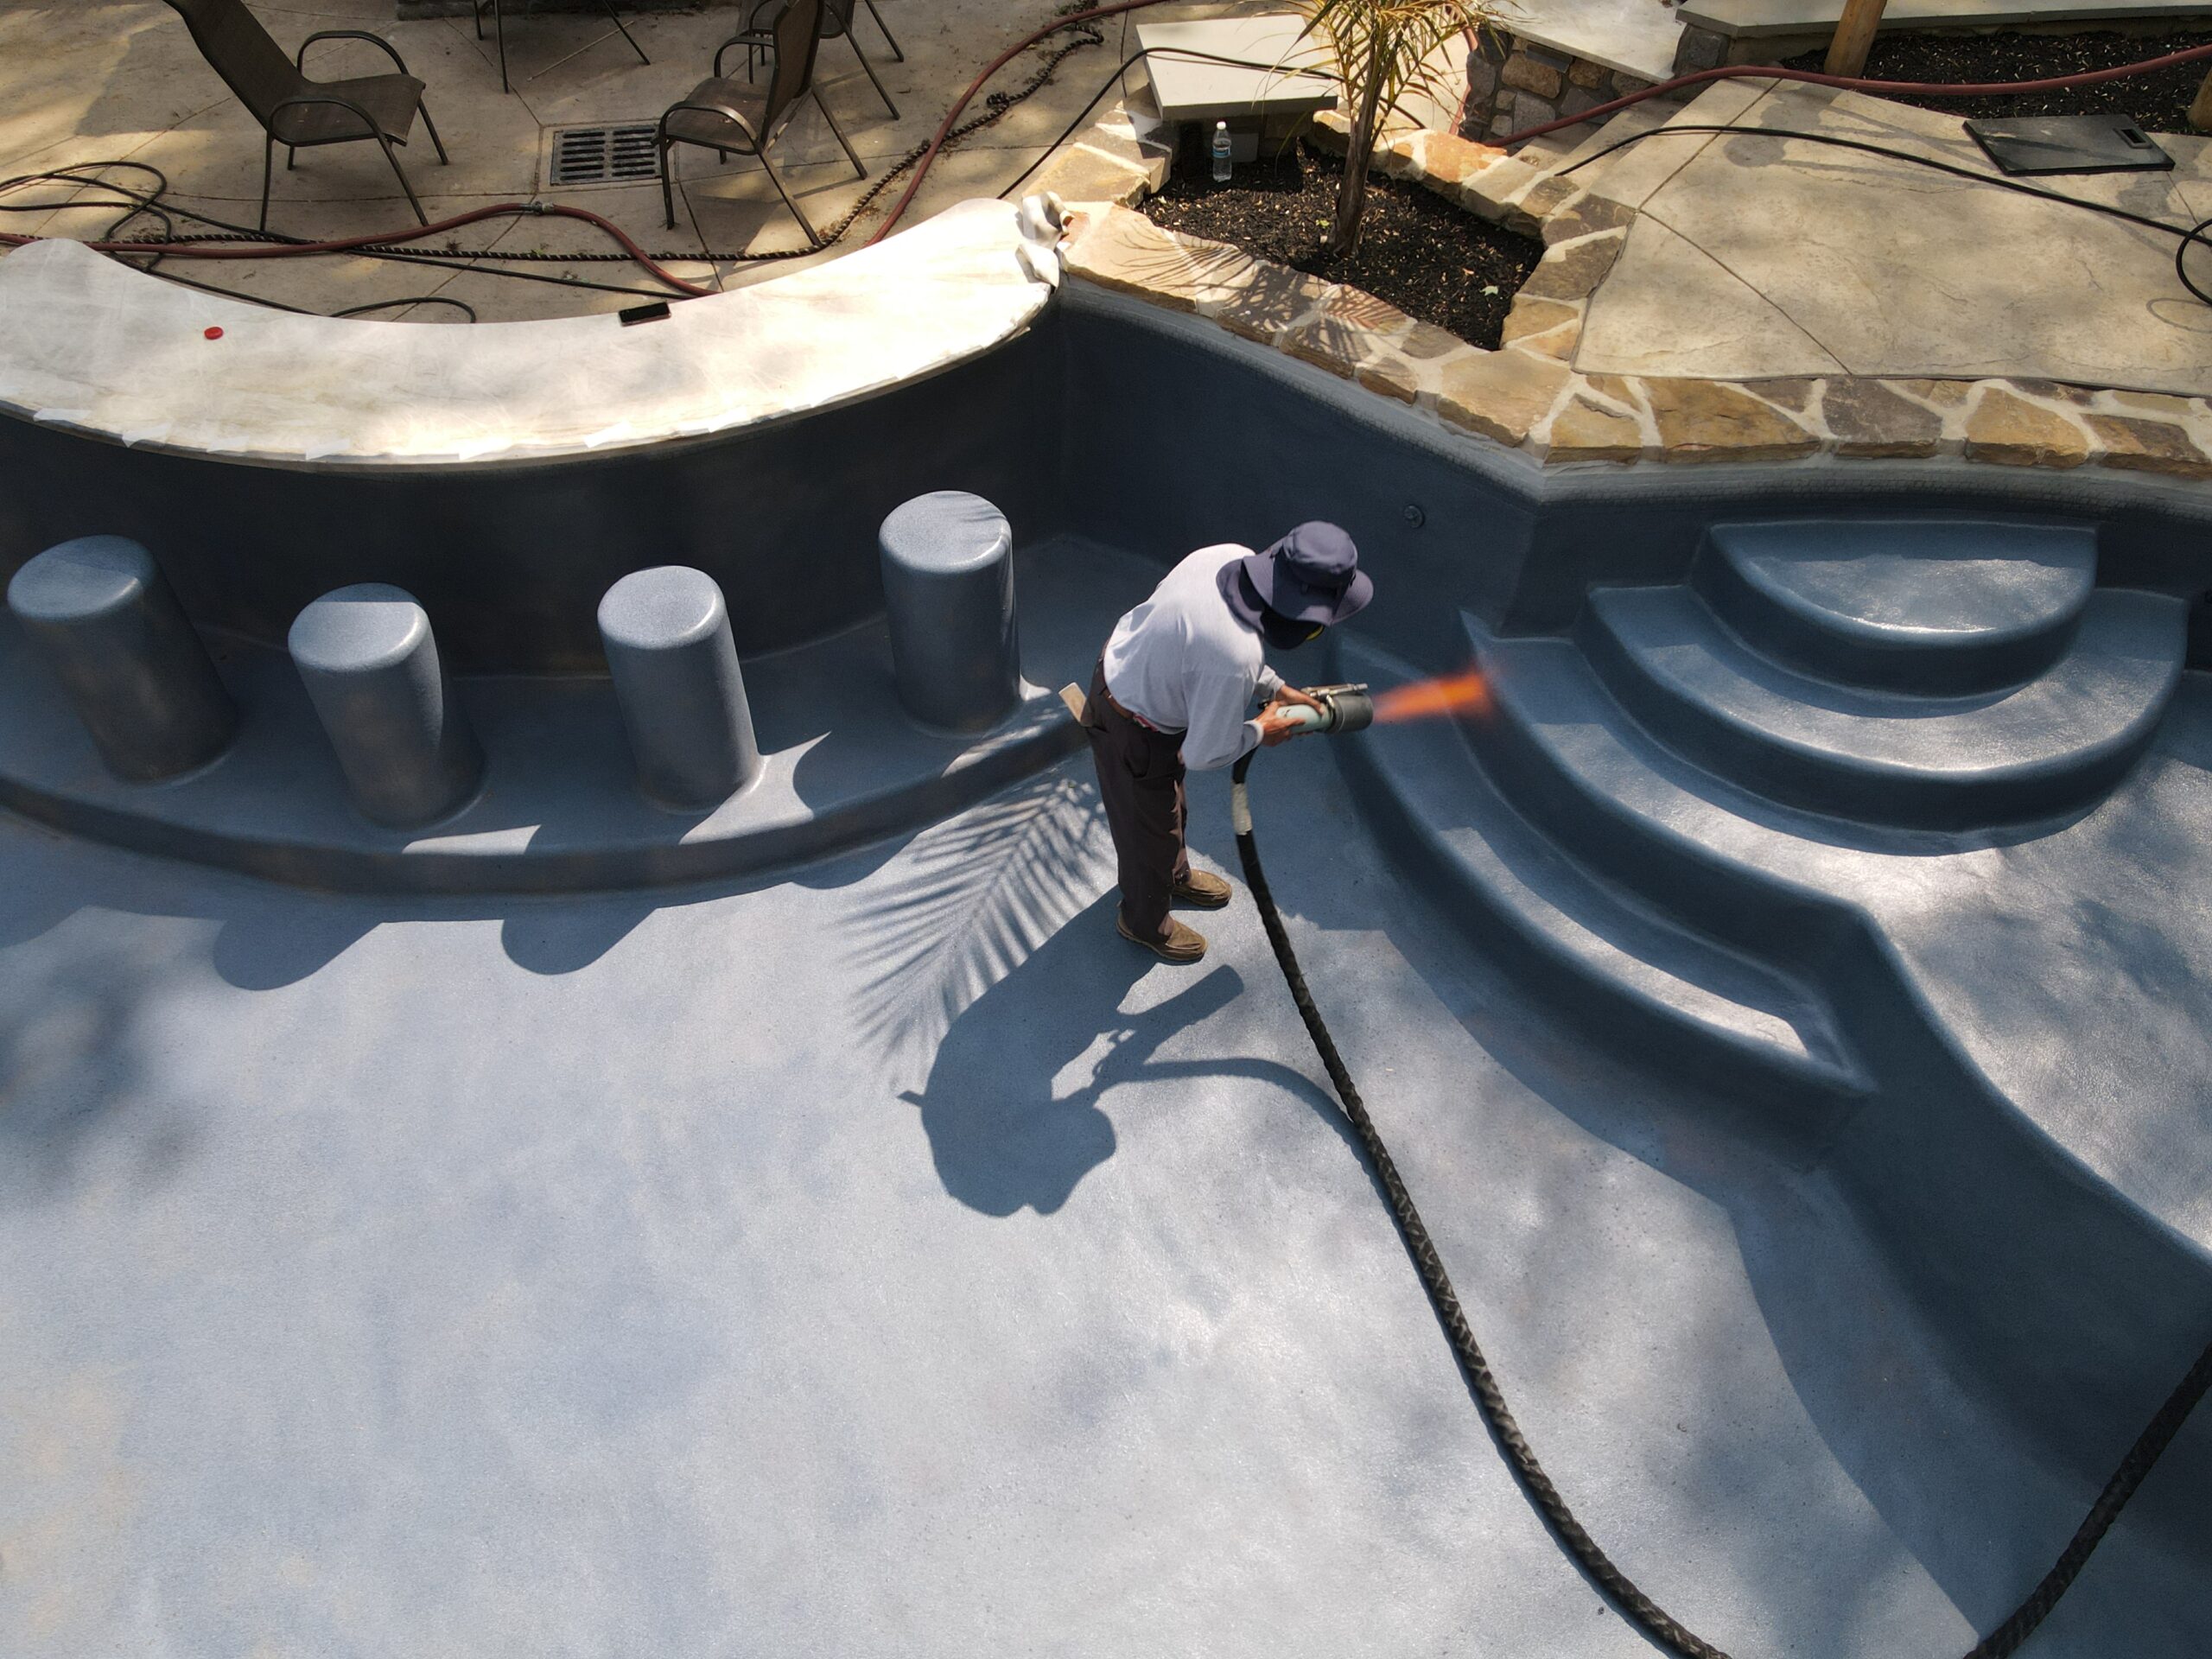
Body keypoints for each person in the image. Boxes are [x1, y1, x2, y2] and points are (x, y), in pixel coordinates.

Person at [1082, 522, 1373, 964]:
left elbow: (1209, 646)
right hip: (1132, 725)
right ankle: (1142, 923)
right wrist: (1262, 730)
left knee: (1170, 809)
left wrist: (1274, 688)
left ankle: (1174, 875)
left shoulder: (1226, 556)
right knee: (1148, 837)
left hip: (1140, 681)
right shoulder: (1233, 658)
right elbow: (1202, 754)